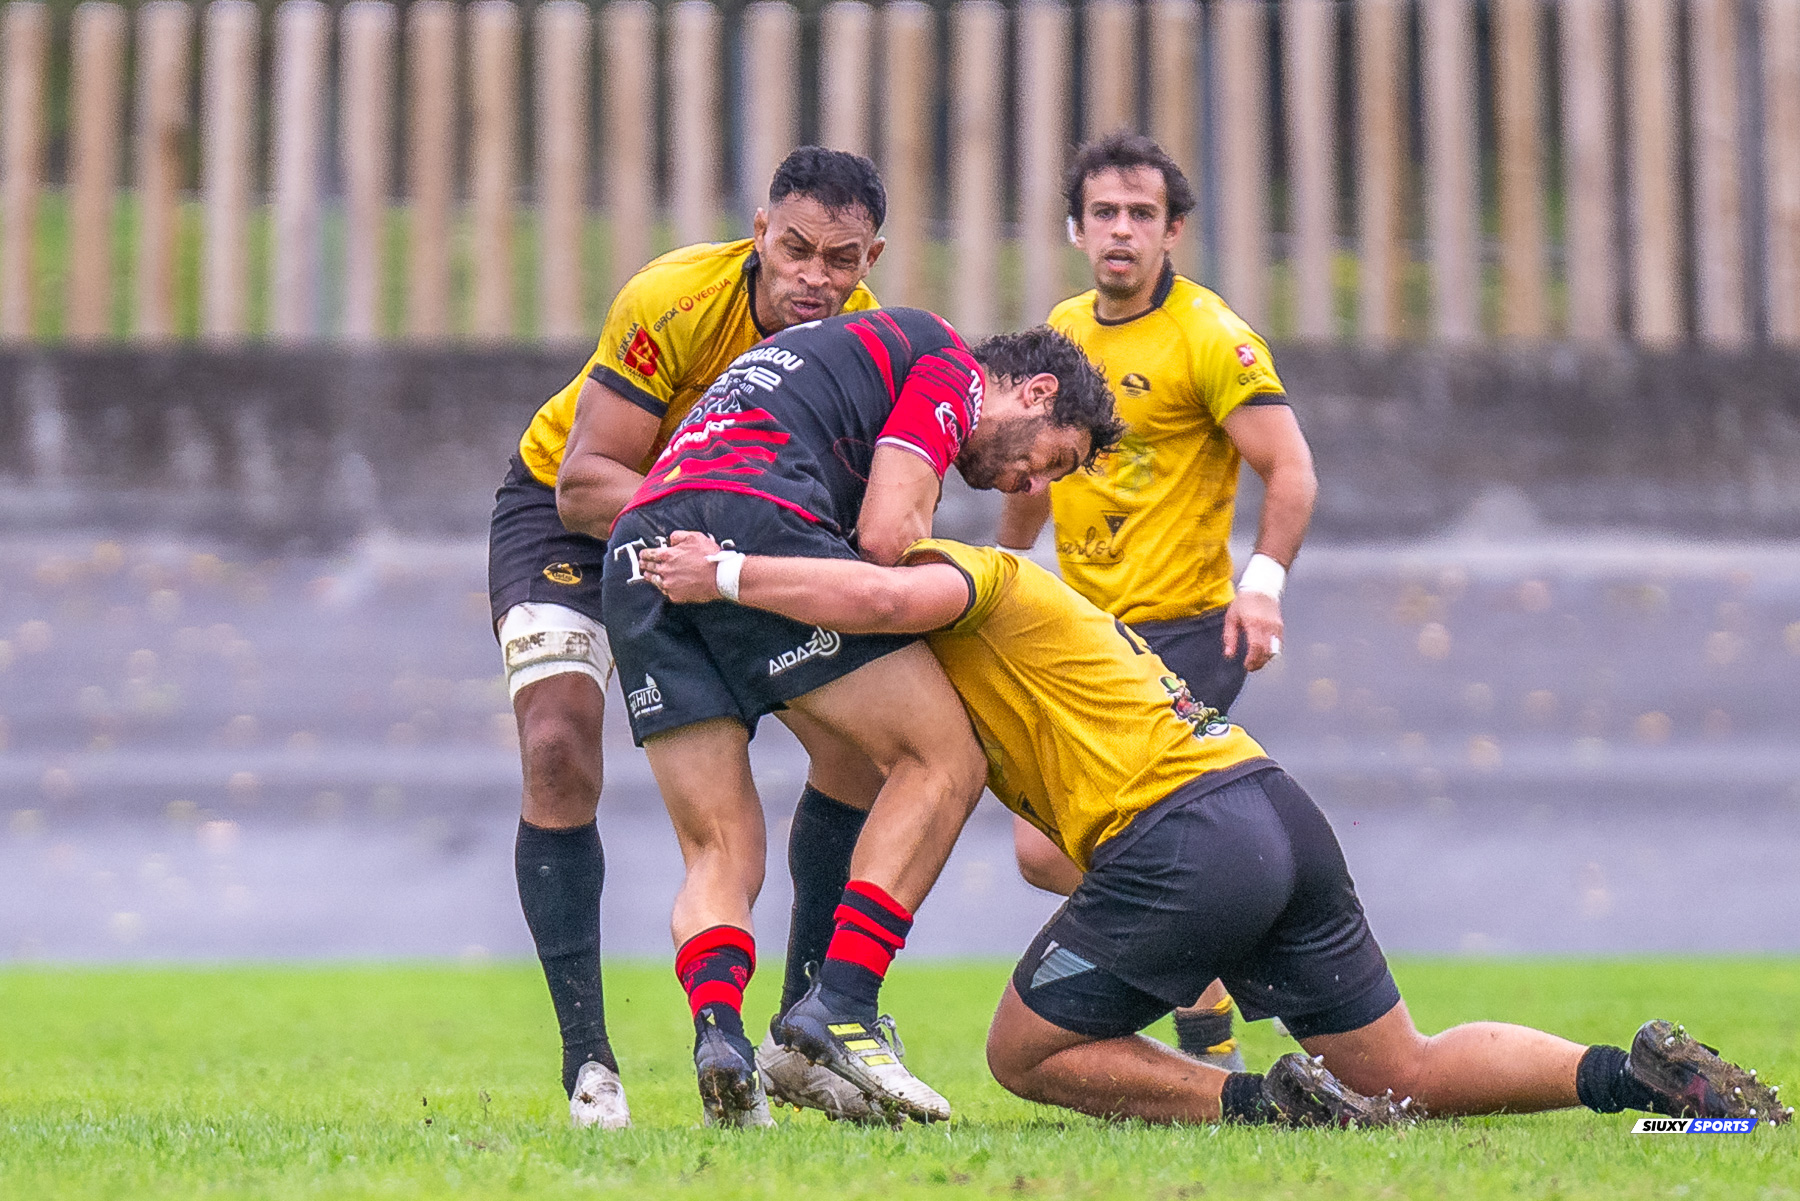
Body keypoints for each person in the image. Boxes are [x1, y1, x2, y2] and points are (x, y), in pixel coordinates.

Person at [634, 533, 1794, 1130]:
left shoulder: (969, 573)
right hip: (1273, 807)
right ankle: (1635, 1077)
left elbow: (880, 599)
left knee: (1019, 1054)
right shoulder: (1029, 673)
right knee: (1402, 1068)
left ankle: (1262, 1106)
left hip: (1187, 838)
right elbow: (1049, 852)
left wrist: (725, 570)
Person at [602, 315, 1124, 1127]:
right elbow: (887, 540)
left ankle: (728, 1040)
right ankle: (843, 1004)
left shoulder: (833, 367)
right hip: (748, 523)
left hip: (641, 547)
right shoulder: (948, 364)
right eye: (1047, 459)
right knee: (944, 758)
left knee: (729, 839)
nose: (1026, 485)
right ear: (1036, 391)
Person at [486, 147, 891, 1129]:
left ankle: (806, 1025)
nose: (814, 276)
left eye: (840, 259)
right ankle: (591, 1066)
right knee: (555, 748)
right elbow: (587, 481)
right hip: (573, 519)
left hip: (726, 543)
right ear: (759, 231)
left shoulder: (868, 342)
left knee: (856, 744)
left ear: (869, 255)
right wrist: (717, 528)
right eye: (795, 248)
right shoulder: (672, 297)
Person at [997, 131, 1319, 1070]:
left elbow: (1289, 468)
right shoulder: (1062, 330)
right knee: (1041, 848)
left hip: (1190, 630)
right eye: (1106, 213)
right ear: (1076, 228)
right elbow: (1029, 476)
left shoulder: (1212, 336)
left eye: (1143, 214)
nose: (1123, 231)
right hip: (1090, 633)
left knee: (1124, 838)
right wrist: (991, 579)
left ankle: (1211, 1004)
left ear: (1174, 230)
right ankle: (1215, 978)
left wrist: (1262, 587)